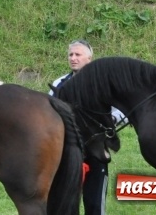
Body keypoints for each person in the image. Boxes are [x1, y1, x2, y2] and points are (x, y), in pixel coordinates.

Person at [50, 40, 122, 215]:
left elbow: (120, 110)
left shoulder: (103, 83)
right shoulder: (59, 83)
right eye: (71, 55)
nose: (73, 58)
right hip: (66, 150)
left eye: (78, 55)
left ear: (89, 59)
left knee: (95, 203)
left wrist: (109, 123)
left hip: (95, 150)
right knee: (65, 201)